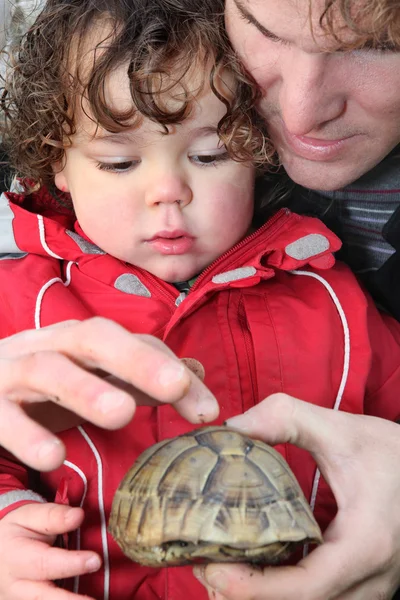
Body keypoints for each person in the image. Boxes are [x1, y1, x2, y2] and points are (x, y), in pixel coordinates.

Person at [0, 2, 400, 600]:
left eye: (210, 155)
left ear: (257, 153)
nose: (168, 192)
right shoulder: (18, 305)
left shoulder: (336, 299)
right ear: (57, 161)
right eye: (119, 161)